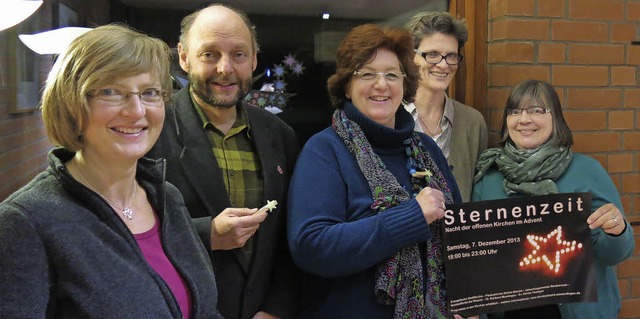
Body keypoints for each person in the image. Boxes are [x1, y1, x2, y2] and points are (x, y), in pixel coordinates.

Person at [0, 24, 222, 318]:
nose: (136, 111)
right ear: (71, 102)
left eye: (150, 92)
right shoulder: (25, 222)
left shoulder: (166, 198)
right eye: (111, 92)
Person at [287, 23, 477, 319]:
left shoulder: (427, 150)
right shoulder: (325, 150)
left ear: (405, 84)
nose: (381, 85)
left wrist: (467, 303)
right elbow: (312, 246)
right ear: (347, 86)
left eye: (392, 74)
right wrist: (413, 216)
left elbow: (460, 239)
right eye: (367, 74)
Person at [146, 4, 299, 319]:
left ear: (254, 59)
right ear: (184, 58)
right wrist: (206, 235)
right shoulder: (149, 130)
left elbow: (287, 236)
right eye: (209, 54)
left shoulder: (279, 135)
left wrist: (276, 308)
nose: (225, 68)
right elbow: (120, 232)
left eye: (239, 55)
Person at [473, 79, 634, 319]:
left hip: (574, 311)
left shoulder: (587, 171)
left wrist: (616, 230)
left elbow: (615, 254)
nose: (524, 119)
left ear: (555, 118)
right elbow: (475, 255)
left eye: (537, 110)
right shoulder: (489, 177)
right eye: (515, 111)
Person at [404, 11, 488, 202]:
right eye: (432, 55)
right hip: (405, 229)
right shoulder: (389, 117)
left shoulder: (473, 123)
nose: (443, 65)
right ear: (410, 57)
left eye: (451, 56)